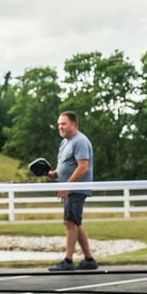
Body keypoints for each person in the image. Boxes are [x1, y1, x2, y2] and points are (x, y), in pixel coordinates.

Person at [46, 110, 97, 272]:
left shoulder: (80, 141)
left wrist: (67, 185)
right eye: (59, 124)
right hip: (70, 187)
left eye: (64, 124)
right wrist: (54, 174)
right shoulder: (65, 143)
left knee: (69, 221)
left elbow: (83, 167)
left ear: (73, 124)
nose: (60, 127)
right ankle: (89, 259)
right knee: (75, 222)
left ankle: (68, 261)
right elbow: (65, 166)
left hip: (77, 188)